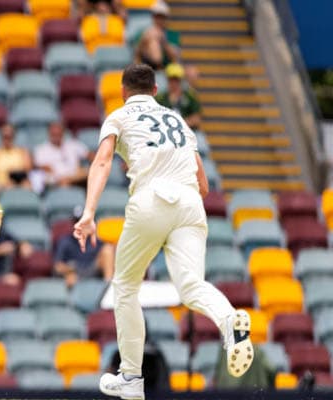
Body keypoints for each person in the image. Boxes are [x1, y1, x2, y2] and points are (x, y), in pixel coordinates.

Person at [73, 64, 253, 400]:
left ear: (124, 91)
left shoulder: (118, 117)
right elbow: (202, 183)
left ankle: (130, 377)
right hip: (189, 204)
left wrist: (88, 213)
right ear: (156, 90)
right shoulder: (179, 120)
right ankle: (229, 321)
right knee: (191, 286)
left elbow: (101, 161)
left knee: (125, 286)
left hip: (151, 199)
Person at [54, 206, 114, 288]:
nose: (81, 226)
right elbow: (57, 266)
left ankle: (108, 287)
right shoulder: (65, 241)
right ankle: (74, 299)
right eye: (78, 222)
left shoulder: (95, 239)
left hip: (92, 268)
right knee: (70, 279)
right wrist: (69, 269)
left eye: (85, 222)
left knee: (108, 250)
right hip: (75, 271)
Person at [33, 121, 94, 191]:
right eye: (54, 134)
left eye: (58, 134)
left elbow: (90, 155)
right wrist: (60, 177)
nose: (56, 136)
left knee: (90, 171)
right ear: (49, 134)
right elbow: (42, 167)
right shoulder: (41, 150)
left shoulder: (73, 144)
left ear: (63, 133)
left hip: (75, 177)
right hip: (55, 180)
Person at [133, 0, 179, 71]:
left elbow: (175, 57)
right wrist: (144, 40)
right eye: (157, 16)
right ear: (153, 17)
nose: (159, 20)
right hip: (146, 66)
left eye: (162, 17)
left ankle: (157, 68)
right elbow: (136, 54)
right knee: (153, 41)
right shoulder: (144, 32)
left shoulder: (172, 34)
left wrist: (163, 41)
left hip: (167, 69)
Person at [156, 63, 202, 130]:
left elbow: (196, 119)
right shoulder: (160, 98)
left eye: (177, 79)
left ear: (181, 80)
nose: (174, 82)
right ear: (167, 79)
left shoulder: (190, 96)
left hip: (188, 131)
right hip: (166, 131)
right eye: (171, 79)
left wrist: (178, 124)